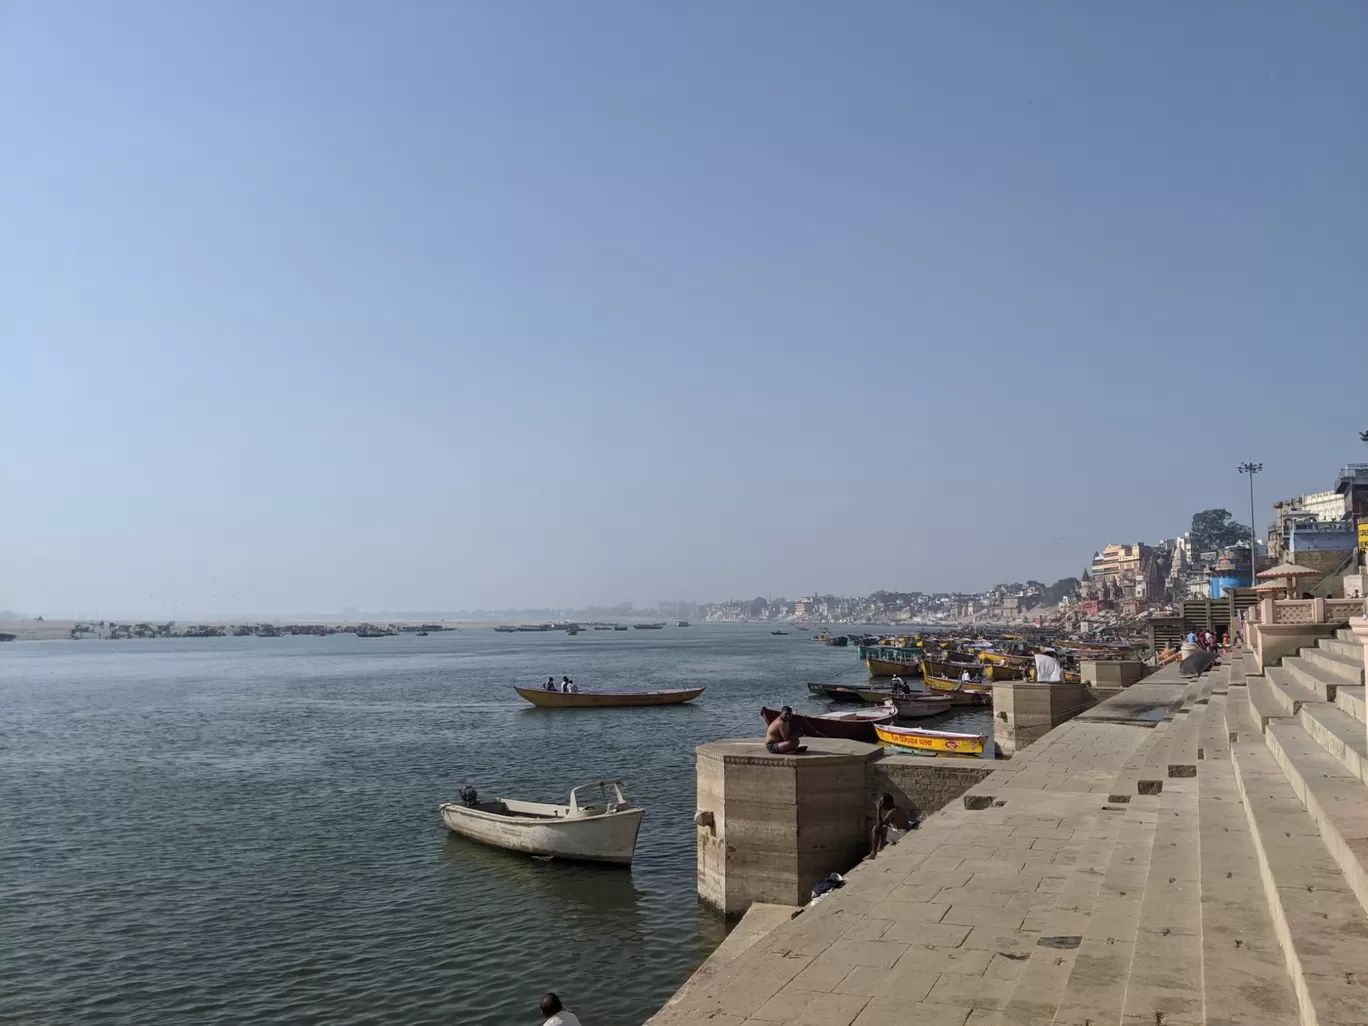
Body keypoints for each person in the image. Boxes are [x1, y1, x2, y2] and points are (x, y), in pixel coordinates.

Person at [868, 792, 913, 860]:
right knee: (885, 826)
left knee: (876, 829)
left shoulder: (893, 811)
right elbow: (884, 823)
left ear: (888, 803)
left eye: (882, 803)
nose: (882, 805)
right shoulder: (897, 808)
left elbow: (878, 825)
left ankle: (873, 853)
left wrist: (878, 809)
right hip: (904, 832)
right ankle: (881, 847)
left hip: (901, 835)